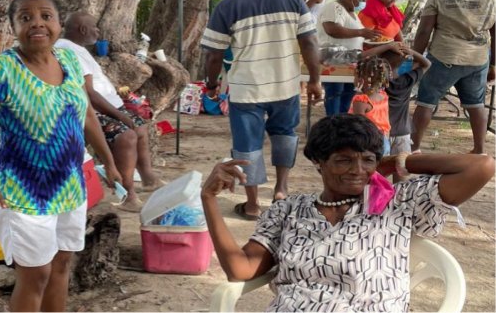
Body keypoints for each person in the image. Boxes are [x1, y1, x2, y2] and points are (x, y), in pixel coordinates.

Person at [201, 114, 494, 311]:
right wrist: (209, 199)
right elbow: (240, 268)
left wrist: (399, 161)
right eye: (343, 160)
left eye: (367, 160)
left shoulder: (399, 203)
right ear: (319, 162)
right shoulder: (288, 210)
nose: (358, 171)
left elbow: (481, 166)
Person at [0, 0, 122, 312]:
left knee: (61, 267)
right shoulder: (0, 69)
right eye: (25, 18)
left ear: (59, 24)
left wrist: (109, 162)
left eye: (46, 16)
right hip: (21, 193)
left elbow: (86, 115)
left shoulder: (70, 60)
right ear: (13, 26)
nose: (37, 23)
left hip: (70, 188)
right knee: (35, 276)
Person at [201, 0, 322, 220]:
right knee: (285, 134)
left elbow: (213, 55)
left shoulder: (227, 6)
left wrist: (211, 85)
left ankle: (253, 204)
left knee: (247, 145)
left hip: (246, 89)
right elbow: (310, 41)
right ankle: (281, 189)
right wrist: (314, 79)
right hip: (286, 84)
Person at [55, 12, 162, 213]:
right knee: (126, 136)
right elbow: (88, 93)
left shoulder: (78, 49)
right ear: (83, 30)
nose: (98, 31)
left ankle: (148, 178)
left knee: (139, 126)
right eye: (95, 27)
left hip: (107, 106)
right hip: (90, 110)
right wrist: (119, 114)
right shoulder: (69, 50)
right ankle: (128, 195)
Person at [411, 0, 496, 156]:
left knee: (426, 102)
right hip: (477, 60)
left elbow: (424, 31)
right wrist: (493, 64)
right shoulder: (491, 0)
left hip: (443, 57)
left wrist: (417, 59)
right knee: (476, 105)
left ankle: (414, 148)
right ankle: (479, 150)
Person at [317, 0, 381, 116]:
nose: (364, 3)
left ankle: (341, 125)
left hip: (350, 61)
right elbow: (332, 29)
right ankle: (333, 125)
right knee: (335, 93)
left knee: (347, 95)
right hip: (335, 59)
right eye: (362, 0)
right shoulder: (334, 7)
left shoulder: (352, 13)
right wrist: (361, 32)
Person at [385, 45, 431, 181]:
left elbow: (360, 58)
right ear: (402, 62)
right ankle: (399, 201)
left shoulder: (376, 81)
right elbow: (427, 63)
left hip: (381, 134)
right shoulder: (407, 80)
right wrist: (411, 52)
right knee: (401, 174)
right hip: (403, 133)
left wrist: (384, 48)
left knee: (377, 173)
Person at [349, 56, 392, 155]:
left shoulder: (361, 100)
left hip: (369, 141)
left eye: (355, 75)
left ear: (361, 79)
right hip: (384, 139)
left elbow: (359, 125)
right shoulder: (383, 96)